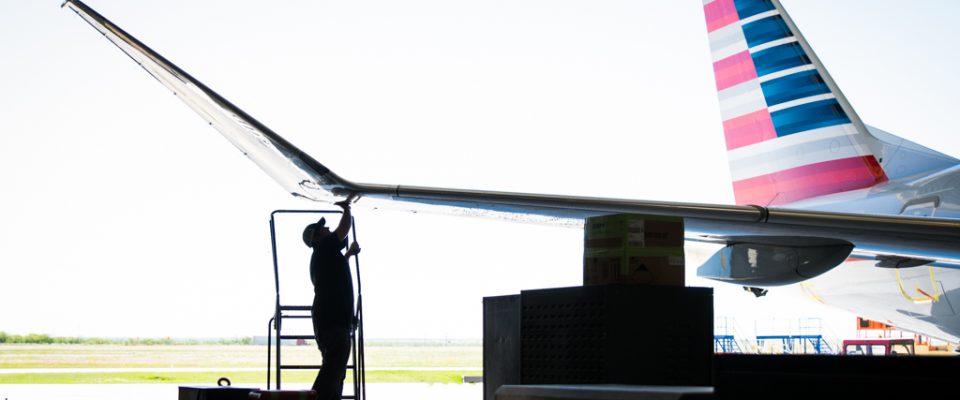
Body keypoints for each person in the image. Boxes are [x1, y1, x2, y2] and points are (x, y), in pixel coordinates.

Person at [303, 200, 360, 400]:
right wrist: (347, 208)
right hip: (334, 321)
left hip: (330, 321)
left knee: (336, 372)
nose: (327, 228)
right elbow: (344, 228)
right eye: (322, 229)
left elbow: (336, 271)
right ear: (316, 238)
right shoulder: (324, 248)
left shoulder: (324, 255)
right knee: (332, 371)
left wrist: (349, 254)